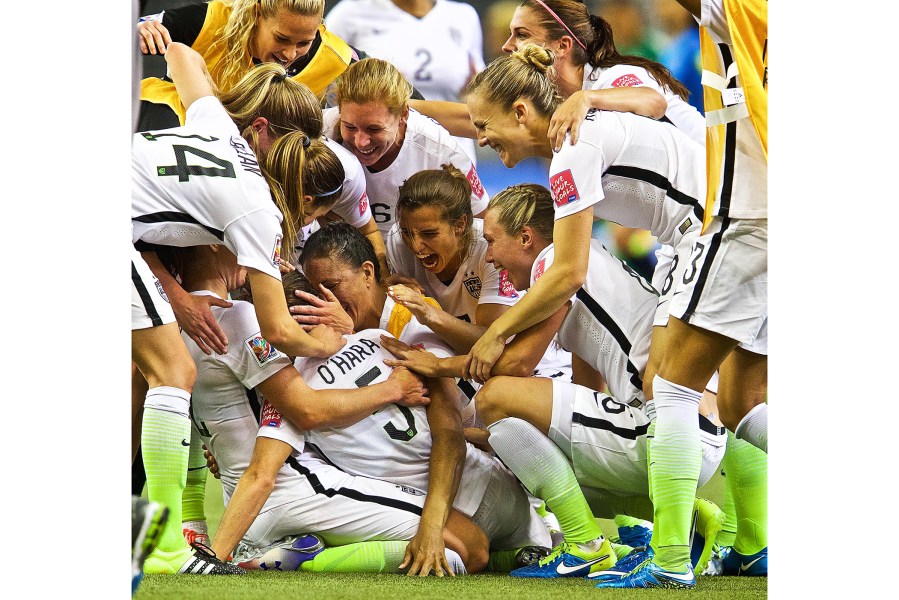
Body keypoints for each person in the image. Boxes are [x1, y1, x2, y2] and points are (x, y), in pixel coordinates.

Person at [381, 183, 726, 578]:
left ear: (526, 237)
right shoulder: (585, 258)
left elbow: (515, 367)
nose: (489, 256)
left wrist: (436, 365)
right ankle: (681, 519)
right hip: (686, 428)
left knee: (496, 400)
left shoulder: (554, 265)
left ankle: (585, 546)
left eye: (493, 241)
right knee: (524, 442)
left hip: (669, 430)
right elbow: (587, 376)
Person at [132, 42, 346, 576]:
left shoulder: (221, 128)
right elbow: (275, 327)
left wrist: (165, 38)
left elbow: (187, 64)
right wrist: (326, 342)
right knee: (171, 372)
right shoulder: (258, 206)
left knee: (159, 375)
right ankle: (167, 550)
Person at [161, 242, 487, 576]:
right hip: (290, 488)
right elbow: (304, 412)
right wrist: (383, 384)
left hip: (244, 501)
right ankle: (295, 561)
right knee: (467, 545)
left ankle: (280, 550)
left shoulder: (177, 325)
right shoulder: (243, 320)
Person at [595, 0, 768, 588]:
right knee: (746, 397)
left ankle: (670, 563)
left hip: (745, 214)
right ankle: (752, 546)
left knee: (668, 383)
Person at [297, 222, 553, 568]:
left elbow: (448, 432)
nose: (324, 301)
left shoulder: (411, 321)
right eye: (313, 292)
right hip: (443, 485)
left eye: (331, 286)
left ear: (367, 273)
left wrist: (430, 524)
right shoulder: (339, 341)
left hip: (479, 474)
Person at [460, 45, 705, 397]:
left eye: (483, 126)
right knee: (737, 399)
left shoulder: (573, 149)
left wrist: (496, 335)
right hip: (699, 230)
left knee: (665, 385)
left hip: (710, 228)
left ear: (519, 112)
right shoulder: (576, 140)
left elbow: (569, 273)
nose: (480, 138)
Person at [408, 0, 703, 152]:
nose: (506, 46)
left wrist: (586, 98)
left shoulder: (611, 77)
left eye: (521, 35)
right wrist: (397, 108)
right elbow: (472, 119)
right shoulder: (552, 102)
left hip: (723, 195)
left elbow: (654, 102)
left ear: (562, 46)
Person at [384, 166, 572, 383]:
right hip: (463, 364)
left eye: (429, 234)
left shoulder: (492, 250)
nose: (416, 246)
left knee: (491, 397)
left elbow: (493, 351)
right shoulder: (398, 244)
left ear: (460, 225)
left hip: (526, 369)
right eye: (407, 232)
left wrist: (430, 315)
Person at [321, 57, 489, 237]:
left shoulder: (439, 149)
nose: (361, 142)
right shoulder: (319, 132)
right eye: (350, 127)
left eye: (374, 129)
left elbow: (483, 223)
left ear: (403, 114)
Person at [136, 0, 360, 129]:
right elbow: (139, 26)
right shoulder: (214, 21)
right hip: (177, 129)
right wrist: (140, 29)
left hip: (257, 163)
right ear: (258, 14)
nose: (290, 53)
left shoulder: (336, 56)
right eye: (281, 38)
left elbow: (385, 82)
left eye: (304, 42)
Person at [324, 0, 485, 162]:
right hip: (378, 157)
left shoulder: (464, 16)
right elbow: (324, 82)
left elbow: (476, 92)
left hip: (451, 154)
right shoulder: (348, 14)